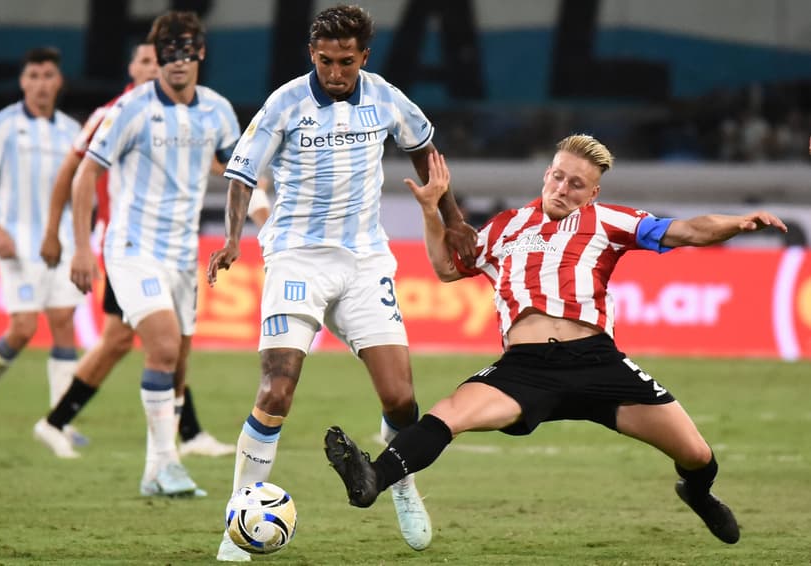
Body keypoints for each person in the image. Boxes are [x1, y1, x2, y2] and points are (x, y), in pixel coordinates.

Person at [325, 134, 790, 546]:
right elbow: (448, 268)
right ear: (547, 174)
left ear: (593, 192)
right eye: (559, 178)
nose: (563, 190)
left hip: (597, 362)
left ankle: (698, 492)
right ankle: (372, 478)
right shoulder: (505, 227)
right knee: (447, 415)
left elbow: (684, 230)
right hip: (526, 368)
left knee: (697, 455)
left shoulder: (610, 221)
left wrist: (738, 223)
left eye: (577, 185)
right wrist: (432, 211)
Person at [206, 4, 475, 560]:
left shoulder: (384, 97)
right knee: (276, 389)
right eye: (326, 61)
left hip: (364, 262)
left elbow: (425, 150)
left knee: (400, 398)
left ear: (363, 57)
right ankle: (238, 518)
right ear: (312, 54)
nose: (335, 72)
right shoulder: (283, 103)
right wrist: (233, 238)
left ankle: (400, 484)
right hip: (296, 260)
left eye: (346, 62)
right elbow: (241, 174)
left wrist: (454, 219)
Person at [32, 41, 270, 460]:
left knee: (129, 340)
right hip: (128, 247)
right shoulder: (115, 115)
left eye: (155, 60)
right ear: (134, 66)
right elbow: (73, 173)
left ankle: (58, 421)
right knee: (162, 340)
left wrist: (255, 194)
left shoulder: (187, 119)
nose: (152, 67)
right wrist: (59, 235)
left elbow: (219, 164)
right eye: (144, 60)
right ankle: (175, 443)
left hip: (168, 248)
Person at [68, 11, 242, 496]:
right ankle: (168, 464)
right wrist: (83, 247)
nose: (178, 61)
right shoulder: (132, 109)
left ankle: (154, 471)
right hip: (131, 249)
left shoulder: (218, 110)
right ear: (159, 57)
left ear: (201, 54)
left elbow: (240, 173)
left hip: (183, 254)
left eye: (187, 50)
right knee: (163, 345)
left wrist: (243, 227)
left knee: (179, 362)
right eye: (169, 53)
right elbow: (85, 174)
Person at [0, 47, 84, 441]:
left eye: (47, 75)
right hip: (17, 240)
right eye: (33, 76)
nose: (40, 84)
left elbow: (79, 188)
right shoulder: (3, 124)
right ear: (23, 82)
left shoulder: (71, 130)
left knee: (65, 324)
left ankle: (59, 422)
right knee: (24, 327)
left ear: (59, 81)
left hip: (61, 241)